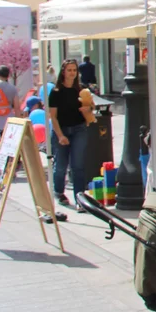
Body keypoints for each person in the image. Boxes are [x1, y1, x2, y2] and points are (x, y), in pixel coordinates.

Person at [48, 60, 92, 208]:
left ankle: (80, 199)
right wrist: (60, 135)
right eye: (69, 70)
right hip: (62, 129)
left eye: (74, 70)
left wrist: (88, 110)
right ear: (63, 72)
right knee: (60, 165)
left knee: (77, 165)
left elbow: (90, 108)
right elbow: (52, 116)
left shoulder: (81, 90)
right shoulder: (55, 92)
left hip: (79, 128)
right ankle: (59, 192)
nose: (72, 73)